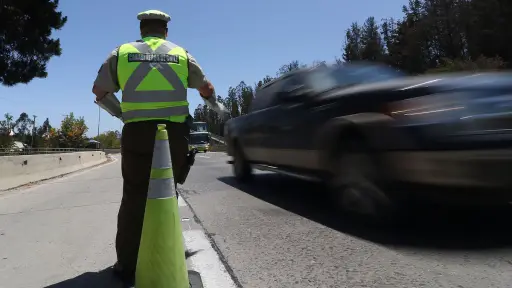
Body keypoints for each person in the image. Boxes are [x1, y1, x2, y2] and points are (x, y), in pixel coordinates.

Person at [91, 9, 227, 287]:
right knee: (166, 195)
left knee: (133, 196)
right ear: (166, 31)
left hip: (136, 133)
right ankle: (166, 260)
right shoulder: (180, 54)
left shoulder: (121, 53)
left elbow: (99, 92)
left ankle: (127, 265)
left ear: (142, 30)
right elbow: (206, 87)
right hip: (173, 135)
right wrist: (216, 105)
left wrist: (122, 114)